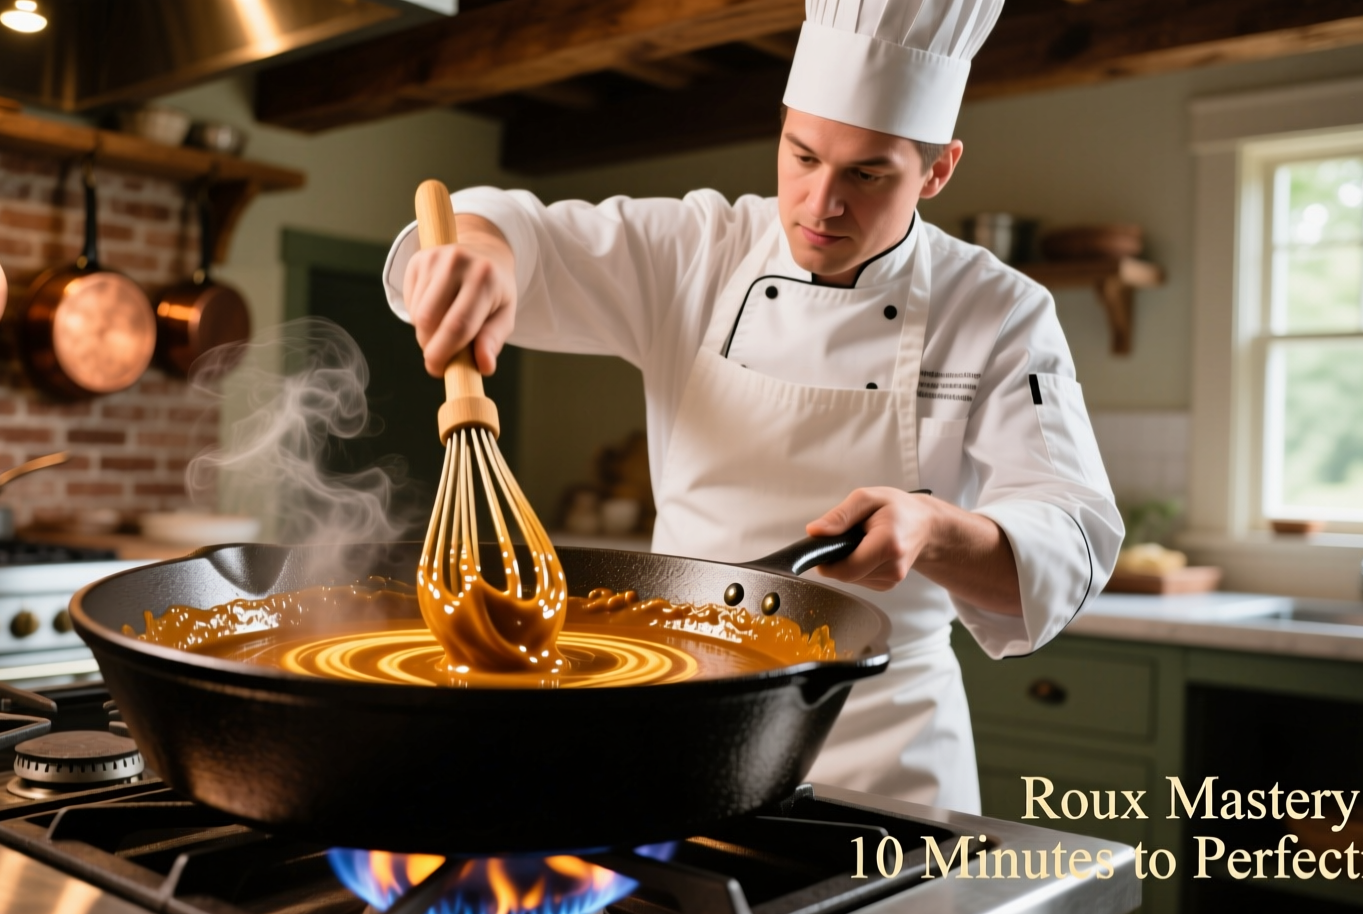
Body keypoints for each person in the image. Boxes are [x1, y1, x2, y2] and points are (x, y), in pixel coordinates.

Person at [383, 0, 1121, 813]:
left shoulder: (998, 310)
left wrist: (934, 530)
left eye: (867, 174)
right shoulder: (696, 251)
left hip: (884, 747)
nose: (819, 203)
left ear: (939, 170)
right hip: (682, 712)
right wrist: (485, 253)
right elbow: (514, 228)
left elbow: (1071, 533)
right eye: (801, 156)